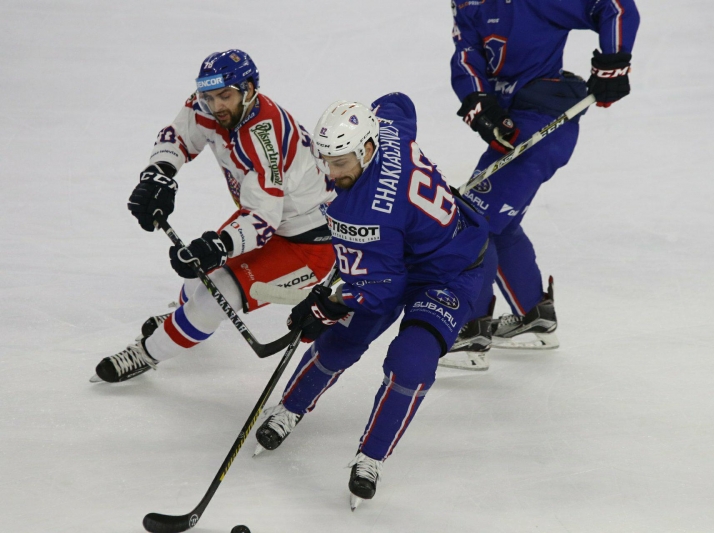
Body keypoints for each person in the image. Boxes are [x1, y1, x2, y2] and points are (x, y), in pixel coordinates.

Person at [253, 94, 488, 510]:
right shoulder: (386, 128)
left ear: (366, 148)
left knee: (411, 361)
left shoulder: (365, 212)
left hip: (453, 272)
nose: (331, 171)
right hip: (398, 254)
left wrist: (325, 308)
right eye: (326, 159)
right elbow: (398, 102)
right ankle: (289, 407)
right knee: (344, 339)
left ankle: (370, 457)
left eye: (341, 162)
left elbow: (379, 291)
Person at [91, 49, 336, 383]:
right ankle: (180, 319)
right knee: (197, 278)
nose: (217, 106)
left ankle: (147, 353)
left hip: (309, 246)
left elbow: (264, 220)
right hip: (266, 219)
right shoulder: (206, 105)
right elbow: (178, 136)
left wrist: (220, 246)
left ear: (248, 89)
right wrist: (158, 174)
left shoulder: (264, 137)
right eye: (209, 97)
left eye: (225, 96)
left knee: (212, 299)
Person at [440, 0, 640, 370]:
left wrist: (613, 63)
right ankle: (533, 318)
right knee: (499, 223)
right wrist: (482, 107)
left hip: (542, 122)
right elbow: (466, 54)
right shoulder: (466, 5)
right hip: (517, 124)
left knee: (472, 223)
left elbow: (614, 6)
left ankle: (469, 331)